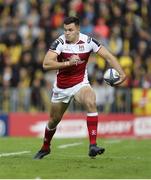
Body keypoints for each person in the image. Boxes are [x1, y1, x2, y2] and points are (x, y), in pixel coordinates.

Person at [34, 16, 126, 159]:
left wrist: (122, 73)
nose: (67, 33)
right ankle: (46, 147)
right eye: (65, 30)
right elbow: (46, 64)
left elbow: (108, 56)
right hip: (61, 88)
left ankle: (93, 145)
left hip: (80, 83)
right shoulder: (60, 42)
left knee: (90, 100)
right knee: (53, 120)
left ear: (78, 29)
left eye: (70, 30)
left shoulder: (88, 41)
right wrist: (68, 63)